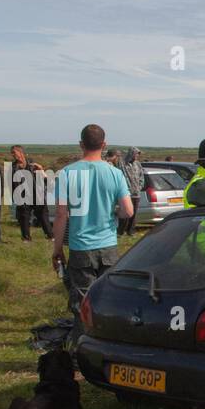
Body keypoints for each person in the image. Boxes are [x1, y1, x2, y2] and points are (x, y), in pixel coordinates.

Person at [50, 124, 133, 315]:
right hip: (108, 245)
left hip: (80, 247)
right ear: (104, 144)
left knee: (82, 301)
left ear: (81, 144)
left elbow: (61, 214)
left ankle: (82, 339)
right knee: (106, 299)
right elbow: (128, 211)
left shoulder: (66, 173)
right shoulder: (115, 173)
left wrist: (57, 249)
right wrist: (113, 213)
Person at [10, 146, 52, 241]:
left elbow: (45, 180)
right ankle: (26, 239)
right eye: (11, 153)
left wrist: (41, 170)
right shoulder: (12, 168)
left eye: (14, 152)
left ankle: (50, 236)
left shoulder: (33, 165)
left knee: (43, 217)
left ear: (21, 153)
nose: (12, 154)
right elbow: (11, 184)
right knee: (24, 218)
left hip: (37, 195)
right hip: (23, 196)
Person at [119, 147, 143, 236]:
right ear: (131, 154)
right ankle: (121, 231)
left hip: (136, 193)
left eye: (138, 154)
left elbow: (141, 176)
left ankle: (131, 231)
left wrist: (139, 186)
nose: (137, 156)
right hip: (126, 193)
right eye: (136, 154)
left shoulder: (138, 164)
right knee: (125, 213)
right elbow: (121, 176)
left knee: (134, 213)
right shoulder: (123, 164)